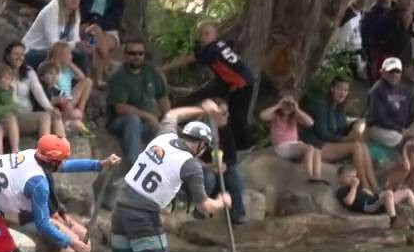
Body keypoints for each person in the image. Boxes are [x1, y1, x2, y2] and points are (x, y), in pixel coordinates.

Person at [104, 102, 231, 252]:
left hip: (120, 209)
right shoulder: (191, 165)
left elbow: (172, 114)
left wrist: (201, 109)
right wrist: (222, 201)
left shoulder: (164, 137)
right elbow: (204, 206)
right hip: (144, 216)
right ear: (201, 145)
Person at [168, 21, 256, 150]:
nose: (203, 37)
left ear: (215, 34)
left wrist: (164, 68)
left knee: (237, 115)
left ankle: (246, 146)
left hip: (241, 83)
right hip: (229, 81)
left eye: (207, 34)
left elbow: (188, 59)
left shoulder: (211, 50)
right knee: (208, 98)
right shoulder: (221, 44)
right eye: (201, 34)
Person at [302, 76, 379, 190]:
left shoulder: (339, 107)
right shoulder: (321, 104)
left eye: (345, 90)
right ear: (332, 88)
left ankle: (375, 186)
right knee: (356, 147)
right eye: (339, 89)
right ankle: (365, 186)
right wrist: (344, 139)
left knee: (362, 145)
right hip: (317, 147)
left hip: (330, 145)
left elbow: (342, 129)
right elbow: (322, 133)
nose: (342, 93)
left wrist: (354, 125)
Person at [106, 38, 168, 160]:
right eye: (132, 53)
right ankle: (137, 163)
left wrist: (169, 120)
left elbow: (162, 97)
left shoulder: (151, 70)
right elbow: (120, 108)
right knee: (133, 119)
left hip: (146, 124)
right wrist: (149, 116)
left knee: (168, 131)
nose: (136, 56)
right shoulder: (119, 77)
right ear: (125, 55)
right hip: (120, 122)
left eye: (140, 53)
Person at [23, 0, 92, 73]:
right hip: (33, 51)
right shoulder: (52, 11)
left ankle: (80, 81)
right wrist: (76, 44)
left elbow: (75, 39)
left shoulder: (75, 12)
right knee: (61, 55)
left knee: (80, 56)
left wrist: (82, 45)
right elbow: (54, 44)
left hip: (51, 51)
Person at [336, 164, 414, 228]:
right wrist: (354, 187)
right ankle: (393, 221)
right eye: (349, 176)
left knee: (407, 192)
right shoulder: (342, 191)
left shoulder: (356, 188)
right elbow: (349, 202)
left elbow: (368, 195)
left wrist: (366, 192)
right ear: (340, 178)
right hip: (368, 207)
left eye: (354, 176)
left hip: (376, 202)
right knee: (388, 193)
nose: (353, 179)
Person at [0, 62, 37, 156]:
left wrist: (8, 94)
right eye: (7, 79)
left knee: (10, 118)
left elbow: (10, 111)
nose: (9, 82)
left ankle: (15, 151)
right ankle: (0, 158)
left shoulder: (6, 90)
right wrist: (13, 105)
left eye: (11, 79)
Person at [261, 91, 323, 181]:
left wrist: (297, 109)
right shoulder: (275, 115)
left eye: (290, 105)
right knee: (309, 148)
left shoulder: (294, 116)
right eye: (285, 104)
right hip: (281, 146)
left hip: (294, 145)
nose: (287, 107)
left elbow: (310, 123)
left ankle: (317, 176)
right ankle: (308, 175)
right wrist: (278, 105)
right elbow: (263, 116)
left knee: (316, 150)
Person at [79, 0, 125, 80]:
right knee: (94, 35)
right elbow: (79, 12)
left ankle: (99, 75)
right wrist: (91, 23)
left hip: (109, 31)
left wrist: (96, 23)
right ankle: (103, 74)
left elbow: (114, 20)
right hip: (85, 27)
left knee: (95, 34)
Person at [325, 0, 372, 79]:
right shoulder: (347, 14)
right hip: (348, 54)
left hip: (359, 51)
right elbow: (341, 41)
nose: (364, 1)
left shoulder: (361, 14)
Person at [365, 57, 413, 148]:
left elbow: (408, 111)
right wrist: (399, 129)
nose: (394, 74)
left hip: (399, 129)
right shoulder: (376, 90)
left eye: (397, 71)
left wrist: (406, 128)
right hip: (379, 128)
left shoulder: (403, 89)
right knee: (398, 138)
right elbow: (379, 118)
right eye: (391, 71)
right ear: (382, 72)